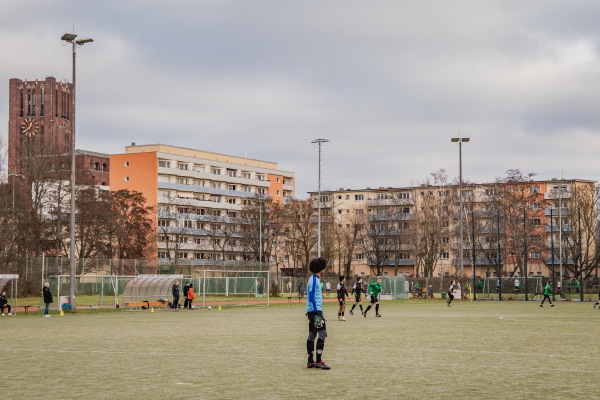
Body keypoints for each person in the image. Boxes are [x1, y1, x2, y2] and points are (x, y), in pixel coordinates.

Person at [305, 257, 331, 369]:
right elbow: (311, 296)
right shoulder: (314, 280)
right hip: (315, 311)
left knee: (312, 334)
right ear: (321, 268)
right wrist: (316, 312)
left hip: (312, 311)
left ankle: (310, 361)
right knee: (323, 333)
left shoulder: (314, 278)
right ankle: (318, 361)